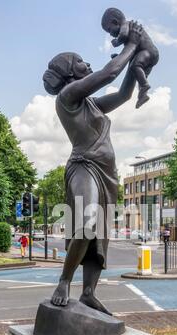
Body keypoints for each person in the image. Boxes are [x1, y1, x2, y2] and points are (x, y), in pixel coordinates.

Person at [43, 21, 143, 314]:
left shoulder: (93, 104)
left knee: (100, 235)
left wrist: (135, 61)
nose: (87, 63)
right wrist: (132, 45)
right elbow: (109, 73)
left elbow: (123, 94)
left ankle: (89, 293)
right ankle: (64, 281)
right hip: (84, 166)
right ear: (71, 73)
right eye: (81, 61)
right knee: (86, 225)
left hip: (106, 173)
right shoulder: (68, 97)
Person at [101, 8, 159, 109]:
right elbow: (130, 50)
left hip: (147, 52)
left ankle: (144, 86)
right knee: (140, 76)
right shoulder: (130, 32)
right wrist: (120, 57)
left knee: (135, 66)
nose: (110, 34)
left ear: (115, 22)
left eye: (109, 30)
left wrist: (117, 42)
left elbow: (123, 35)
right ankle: (142, 95)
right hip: (149, 55)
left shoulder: (125, 25)